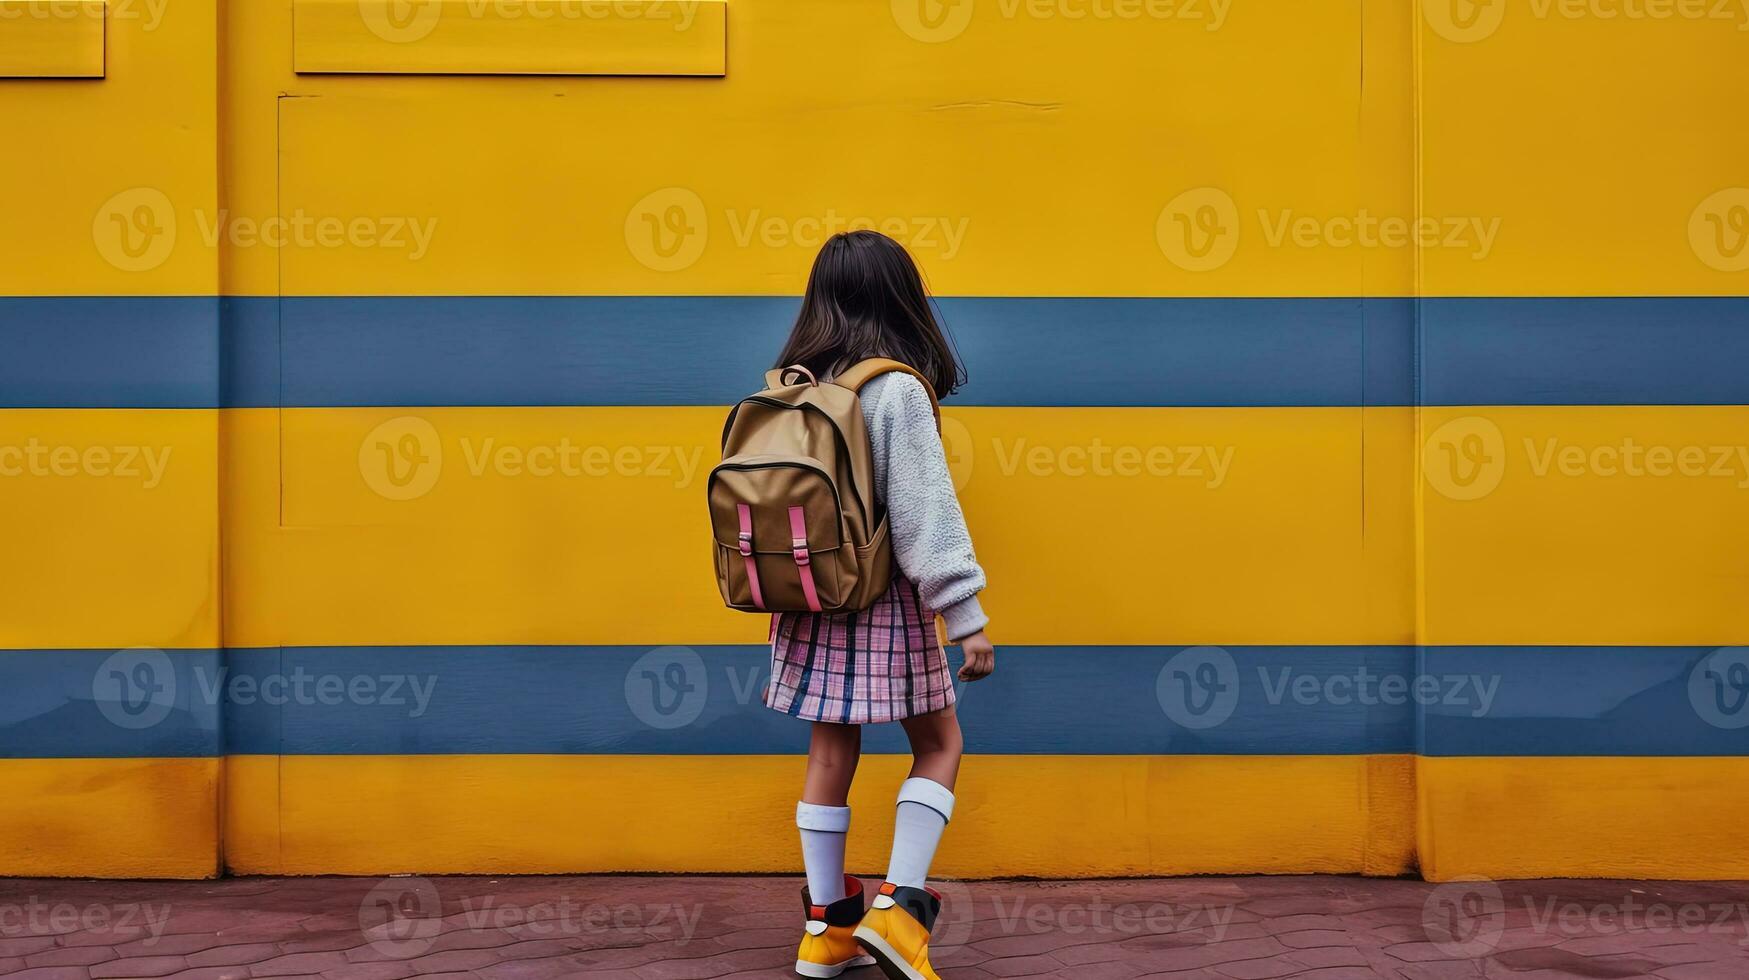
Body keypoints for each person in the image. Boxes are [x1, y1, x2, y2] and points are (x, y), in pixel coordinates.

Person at [762, 230, 996, 980]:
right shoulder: (893, 389)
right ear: (902, 298)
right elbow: (926, 514)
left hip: (806, 599)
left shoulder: (792, 384)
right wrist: (967, 619)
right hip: (879, 603)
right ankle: (898, 910)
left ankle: (826, 927)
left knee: (831, 751)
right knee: (939, 743)